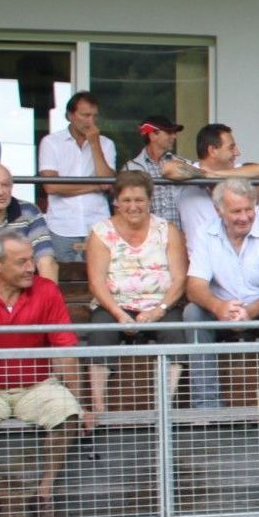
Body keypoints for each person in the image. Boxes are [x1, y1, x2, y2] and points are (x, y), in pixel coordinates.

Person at [0, 228, 82, 517]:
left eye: (31, 260)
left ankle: (44, 494)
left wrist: (81, 400)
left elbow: (65, 349)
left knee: (68, 412)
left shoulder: (46, 289)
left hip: (37, 385)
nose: (31, 267)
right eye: (21, 262)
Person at [181, 179, 259, 409]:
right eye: (236, 211)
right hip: (222, 309)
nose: (245, 217)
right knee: (192, 313)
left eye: (249, 209)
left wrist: (250, 311)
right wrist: (218, 307)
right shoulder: (205, 232)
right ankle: (207, 406)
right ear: (219, 210)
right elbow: (195, 286)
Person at [83, 169, 188, 423]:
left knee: (175, 331)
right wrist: (120, 315)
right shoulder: (100, 232)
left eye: (139, 200)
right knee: (100, 329)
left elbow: (180, 278)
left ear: (149, 200)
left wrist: (159, 309)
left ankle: (165, 408)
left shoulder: (167, 230)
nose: (133, 206)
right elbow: (96, 283)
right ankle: (98, 408)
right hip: (115, 305)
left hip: (159, 305)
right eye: (127, 200)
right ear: (116, 201)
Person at [37, 91, 117, 263]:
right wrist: (95, 186)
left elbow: (107, 183)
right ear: (70, 116)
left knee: (100, 278)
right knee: (63, 281)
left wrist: (95, 144)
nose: (91, 121)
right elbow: (51, 187)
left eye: (94, 116)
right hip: (62, 225)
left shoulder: (106, 143)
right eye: (85, 115)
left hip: (98, 224)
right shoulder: (51, 142)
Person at [173, 123, 259, 243]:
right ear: (213, 150)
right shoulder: (190, 172)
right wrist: (205, 175)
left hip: (241, 255)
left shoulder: (240, 171)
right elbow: (168, 168)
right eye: (231, 147)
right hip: (201, 259)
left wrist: (214, 176)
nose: (237, 152)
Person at [124, 116, 187, 225]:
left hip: (178, 237)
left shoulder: (183, 164)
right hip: (147, 238)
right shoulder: (130, 168)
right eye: (169, 132)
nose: (174, 136)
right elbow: (120, 207)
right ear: (153, 135)